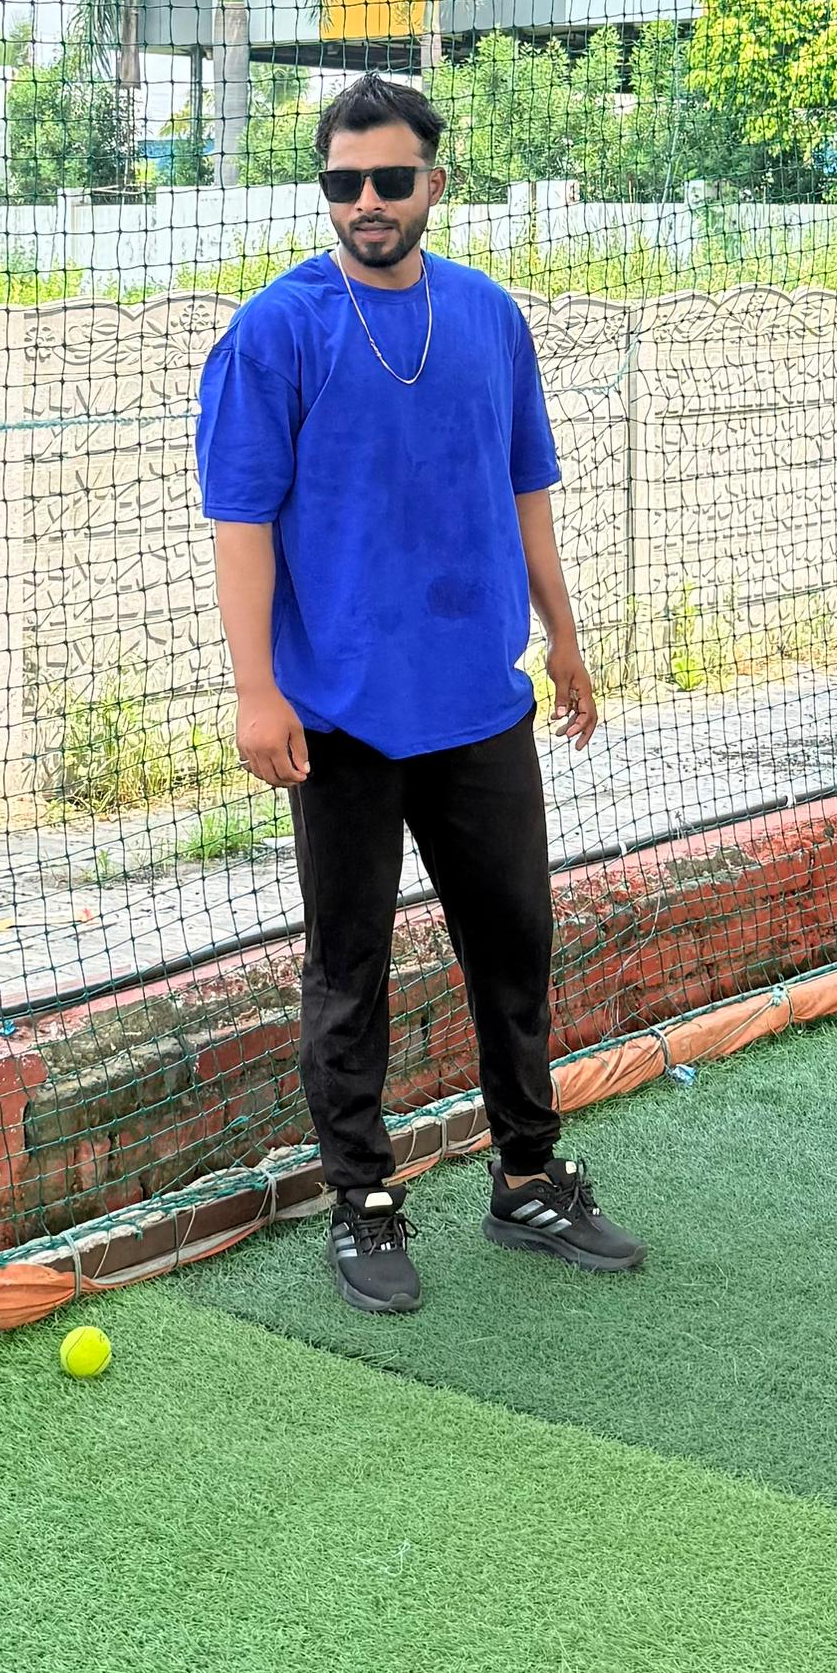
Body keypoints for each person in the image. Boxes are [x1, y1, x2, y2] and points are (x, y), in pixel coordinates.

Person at [196, 70, 646, 1314]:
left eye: (390, 179)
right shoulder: (276, 331)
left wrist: (564, 638)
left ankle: (529, 1176)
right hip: (337, 716)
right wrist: (256, 689)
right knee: (348, 968)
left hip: (479, 702)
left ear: (435, 183)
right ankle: (364, 1198)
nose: (368, 201)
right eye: (344, 182)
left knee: (515, 946)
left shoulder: (489, 317)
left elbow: (527, 490)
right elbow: (241, 522)